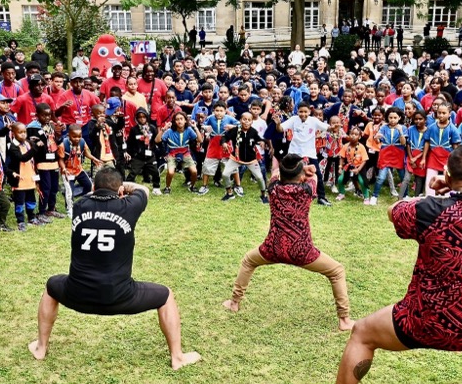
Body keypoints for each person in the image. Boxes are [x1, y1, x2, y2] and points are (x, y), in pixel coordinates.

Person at [302, 145, 462, 384]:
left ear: (448, 175)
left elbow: (394, 210)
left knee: (361, 333)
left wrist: (437, 189)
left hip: (423, 319)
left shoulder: (428, 209)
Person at [28, 167, 202, 370]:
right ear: (120, 191)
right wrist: (125, 187)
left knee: (52, 287)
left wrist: (105, 189)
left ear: (93, 187)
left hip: (77, 294)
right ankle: (177, 357)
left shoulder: (79, 206)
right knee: (166, 296)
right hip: (120, 296)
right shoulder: (128, 207)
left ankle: (41, 348)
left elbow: (90, 194)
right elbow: (143, 191)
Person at [222, 154, 355, 331]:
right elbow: (314, 176)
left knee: (248, 261)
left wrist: (297, 171)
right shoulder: (307, 189)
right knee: (337, 271)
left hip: (273, 247)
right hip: (302, 251)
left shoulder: (273, 188)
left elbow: (276, 172)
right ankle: (344, 320)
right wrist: (307, 171)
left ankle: (234, 303)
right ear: (301, 177)